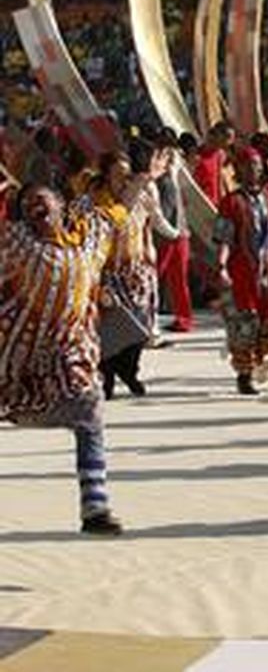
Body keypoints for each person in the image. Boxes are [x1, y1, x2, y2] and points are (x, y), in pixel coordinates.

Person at [0, 184, 123, 535]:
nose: (32, 206)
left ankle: (95, 508)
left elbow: (117, 215)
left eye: (40, 199)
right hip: (14, 356)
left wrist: (143, 179)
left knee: (90, 409)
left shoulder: (89, 241)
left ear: (60, 205)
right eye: (26, 204)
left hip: (69, 354)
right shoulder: (17, 242)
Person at [214, 146, 268, 395]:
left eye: (257, 165)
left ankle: (257, 356)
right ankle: (245, 374)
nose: (253, 169)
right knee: (246, 324)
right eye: (248, 165)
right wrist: (221, 266)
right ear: (238, 169)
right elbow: (225, 239)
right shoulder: (231, 202)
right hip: (243, 270)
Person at [93, 145, 159, 400]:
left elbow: (147, 226)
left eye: (126, 173)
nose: (124, 179)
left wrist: (149, 249)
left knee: (140, 330)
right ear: (106, 175)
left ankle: (129, 371)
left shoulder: (140, 198)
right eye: (118, 174)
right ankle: (108, 377)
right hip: (108, 273)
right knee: (110, 331)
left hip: (136, 273)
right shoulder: (98, 202)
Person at [153, 130, 194, 333]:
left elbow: (189, 193)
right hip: (165, 232)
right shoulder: (156, 170)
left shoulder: (177, 168)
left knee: (177, 278)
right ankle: (149, 320)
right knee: (156, 276)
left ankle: (184, 319)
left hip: (179, 230)